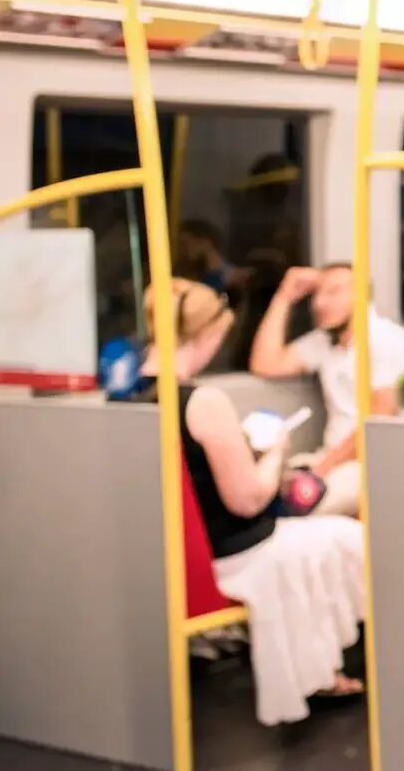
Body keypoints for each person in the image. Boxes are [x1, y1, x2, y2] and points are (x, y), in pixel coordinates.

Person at [141, 279, 366, 725]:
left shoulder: (129, 395)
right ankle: (325, 669)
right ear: (205, 336)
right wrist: (277, 448)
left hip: (185, 553)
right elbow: (248, 499)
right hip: (238, 553)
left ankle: (319, 666)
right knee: (352, 540)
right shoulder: (203, 401)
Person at [248, 263, 404, 517]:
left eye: (333, 292)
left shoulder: (385, 339)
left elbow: (377, 424)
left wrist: (318, 471)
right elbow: (265, 363)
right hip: (332, 460)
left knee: (293, 509)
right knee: (260, 495)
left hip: (374, 464)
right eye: (317, 294)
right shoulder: (325, 341)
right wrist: (284, 296)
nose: (319, 303)